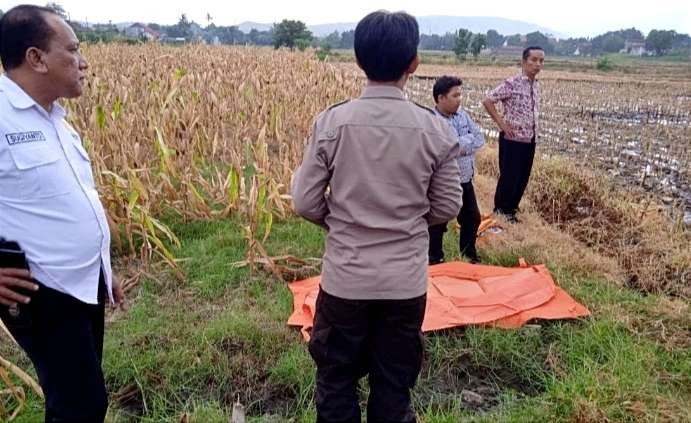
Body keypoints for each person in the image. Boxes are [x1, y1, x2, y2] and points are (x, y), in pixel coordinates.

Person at [292, 10, 462, 423]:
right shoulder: (435, 129)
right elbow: (447, 207)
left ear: (358, 60)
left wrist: (342, 222)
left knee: (336, 382)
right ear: (414, 63)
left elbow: (305, 201)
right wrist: (408, 226)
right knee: (392, 387)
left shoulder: (333, 122)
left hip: (345, 280)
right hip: (405, 283)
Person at [0, 5, 123, 422]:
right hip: (41, 288)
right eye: (72, 50)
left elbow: (68, 201)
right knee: (80, 404)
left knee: (81, 400)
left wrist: (105, 267)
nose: (83, 61)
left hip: (82, 283)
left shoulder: (57, 118)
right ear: (36, 58)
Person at [482, 46, 544, 223]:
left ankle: (512, 207)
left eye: (541, 61)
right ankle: (501, 210)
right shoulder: (513, 83)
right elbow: (488, 100)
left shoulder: (536, 85)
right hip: (512, 138)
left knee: (523, 175)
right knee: (509, 175)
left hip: (530, 138)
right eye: (533, 60)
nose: (537, 64)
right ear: (524, 61)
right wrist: (501, 123)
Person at [427, 76, 485, 264]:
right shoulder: (432, 120)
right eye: (455, 95)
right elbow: (442, 148)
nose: (460, 99)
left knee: (472, 218)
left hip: (465, 178)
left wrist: (457, 144)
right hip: (441, 181)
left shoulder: (463, 115)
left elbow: (479, 138)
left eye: (460, 94)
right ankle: (435, 258)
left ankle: (469, 256)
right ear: (441, 98)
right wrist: (463, 143)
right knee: (438, 221)